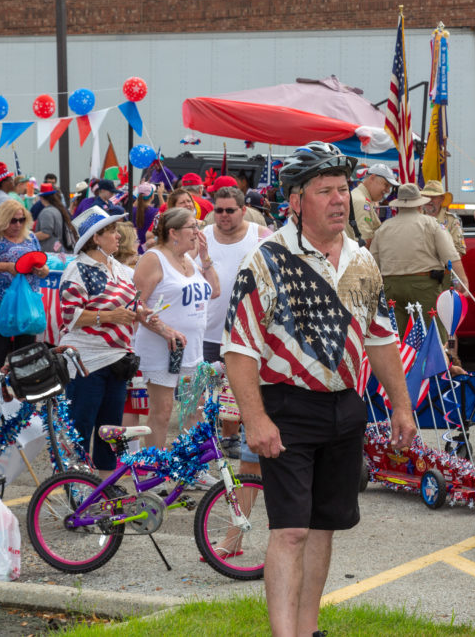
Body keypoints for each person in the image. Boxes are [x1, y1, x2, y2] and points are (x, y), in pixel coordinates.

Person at [222, 141, 416, 637]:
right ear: (295, 200)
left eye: (343, 189)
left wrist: (400, 404)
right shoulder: (266, 261)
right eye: (324, 190)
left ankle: (307, 631)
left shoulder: (362, 260)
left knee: (325, 526)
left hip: (345, 408)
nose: (338, 200)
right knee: (289, 530)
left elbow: (380, 336)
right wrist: (256, 419)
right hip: (285, 407)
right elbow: (239, 349)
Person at [58, 206, 149, 478]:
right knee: (81, 427)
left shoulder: (121, 269)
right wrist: (111, 316)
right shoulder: (77, 270)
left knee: (111, 430)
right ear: (96, 238)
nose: (118, 236)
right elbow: (70, 315)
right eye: (111, 231)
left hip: (118, 359)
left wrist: (145, 314)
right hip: (86, 361)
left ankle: (105, 490)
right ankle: (75, 489)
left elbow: (134, 305)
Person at [133, 207, 220, 464]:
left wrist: (205, 256)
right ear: (173, 232)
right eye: (192, 227)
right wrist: (164, 329)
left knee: (195, 409)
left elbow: (214, 291)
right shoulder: (154, 258)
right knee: (163, 411)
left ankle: (192, 468)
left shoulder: (188, 259)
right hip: (162, 348)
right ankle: (155, 469)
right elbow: (135, 303)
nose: (197, 232)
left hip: (192, 349)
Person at [202, 186, 273, 460]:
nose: (223, 216)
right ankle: (206, 440)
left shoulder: (262, 237)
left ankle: (232, 435)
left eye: (230, 210)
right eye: (218, 210)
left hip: (245, 331)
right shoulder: (202, 236)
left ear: (244, 210)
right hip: (206, 330)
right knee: (208, 390)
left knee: (240, 386)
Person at [370, 183, 469, 338]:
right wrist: (463, 280)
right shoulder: (431, 224)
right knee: (433, 337)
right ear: (419, 204)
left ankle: (401, 362)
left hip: (390, 288)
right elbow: (450, 256)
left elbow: (373, 263)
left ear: (399, 206)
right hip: (425, 287)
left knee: (395, 339)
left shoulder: (383, 228)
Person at [0, 199, 49, 372]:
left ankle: (23, 394)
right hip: (1, 301)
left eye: (21, 220)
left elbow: (43, 264)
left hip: (27, 302)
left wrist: (42, 270)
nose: (18, 224)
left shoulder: (31, 237)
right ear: (3, 219)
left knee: (26, 355)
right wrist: (6, 267)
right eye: (13, 220)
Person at [345, 163, 398, 247]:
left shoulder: (361, 197)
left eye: (389, 187)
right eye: (386, 185)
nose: (388, 191)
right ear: (372, 178)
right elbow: (363, 244)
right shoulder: (361, 202)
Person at [421, 179, 466, 256]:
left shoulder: (452, 221)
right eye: (426, 196)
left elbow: (459, 250)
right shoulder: (415, 219)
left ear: (442, 199)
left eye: (433, 197)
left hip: (441, 266)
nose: (429, 200)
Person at [33, 182, 77, 252]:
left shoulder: (47, 212)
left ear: (41, 197)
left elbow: (46, 233)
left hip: (49, 251)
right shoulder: (57, 209)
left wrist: (29, 236)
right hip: (58, 249)